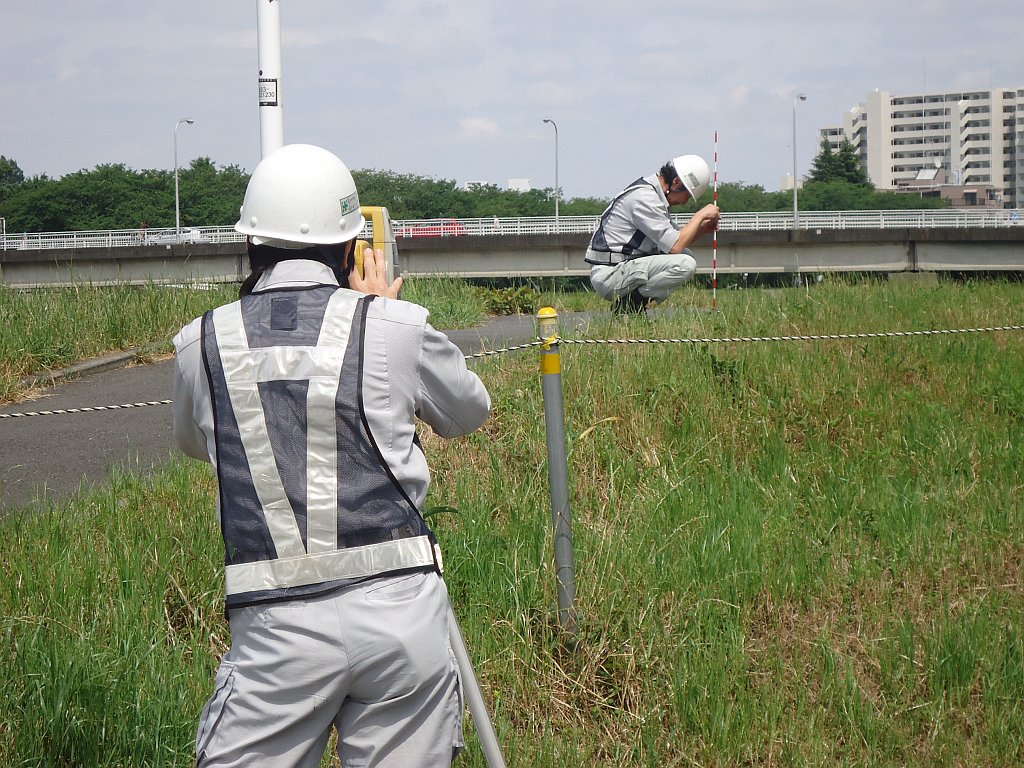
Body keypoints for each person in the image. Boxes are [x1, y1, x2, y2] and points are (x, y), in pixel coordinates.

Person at [172, 143, 491, 768]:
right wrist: (385, 308)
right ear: (353, 248)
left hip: (275, 629)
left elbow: (193, 441)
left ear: (251, 246)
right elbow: (469, 409)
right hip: (402, 618)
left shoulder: (199, 344)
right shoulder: (392, 326)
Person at [585, 154, 720, 314]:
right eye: (688, 196)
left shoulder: (652, 194)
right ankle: (630, 307)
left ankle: (631, 305)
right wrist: (700, 216)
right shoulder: (645, 199)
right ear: (676, 183)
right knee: (685, 264)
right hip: (610, 274)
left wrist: (702, 229)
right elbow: (675, 245)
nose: (684, 202)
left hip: (620, 267)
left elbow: (674, 239)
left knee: (685, 254)